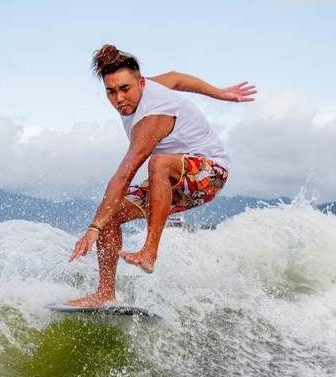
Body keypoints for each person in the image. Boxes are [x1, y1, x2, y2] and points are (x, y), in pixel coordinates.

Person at [67, 45, 256, 306]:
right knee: (110, 214)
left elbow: (124, 175)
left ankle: (149, 251)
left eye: (125, 89)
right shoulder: (143, 87)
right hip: (171, 180)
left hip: (211, 174)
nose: (119, 98)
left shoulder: (152, 117)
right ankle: (105, 293)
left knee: (159, 161)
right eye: (111, 91)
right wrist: (220, 93)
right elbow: (176, 78)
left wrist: (92, 229)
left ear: (141, 83)